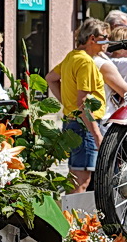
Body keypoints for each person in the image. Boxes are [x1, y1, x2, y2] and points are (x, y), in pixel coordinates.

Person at [47, 21, 110, 190]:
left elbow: (50, 78)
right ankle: (72, 217)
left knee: (75, 179)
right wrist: (96, 134)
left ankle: (69, 215)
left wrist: (67, 102)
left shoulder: (72, 57)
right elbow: (83, 102)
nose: (107, 43)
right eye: (105, 38)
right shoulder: (86, 63)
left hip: (73, 122)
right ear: (92, 39)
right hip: (85, 125)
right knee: (81, 182)